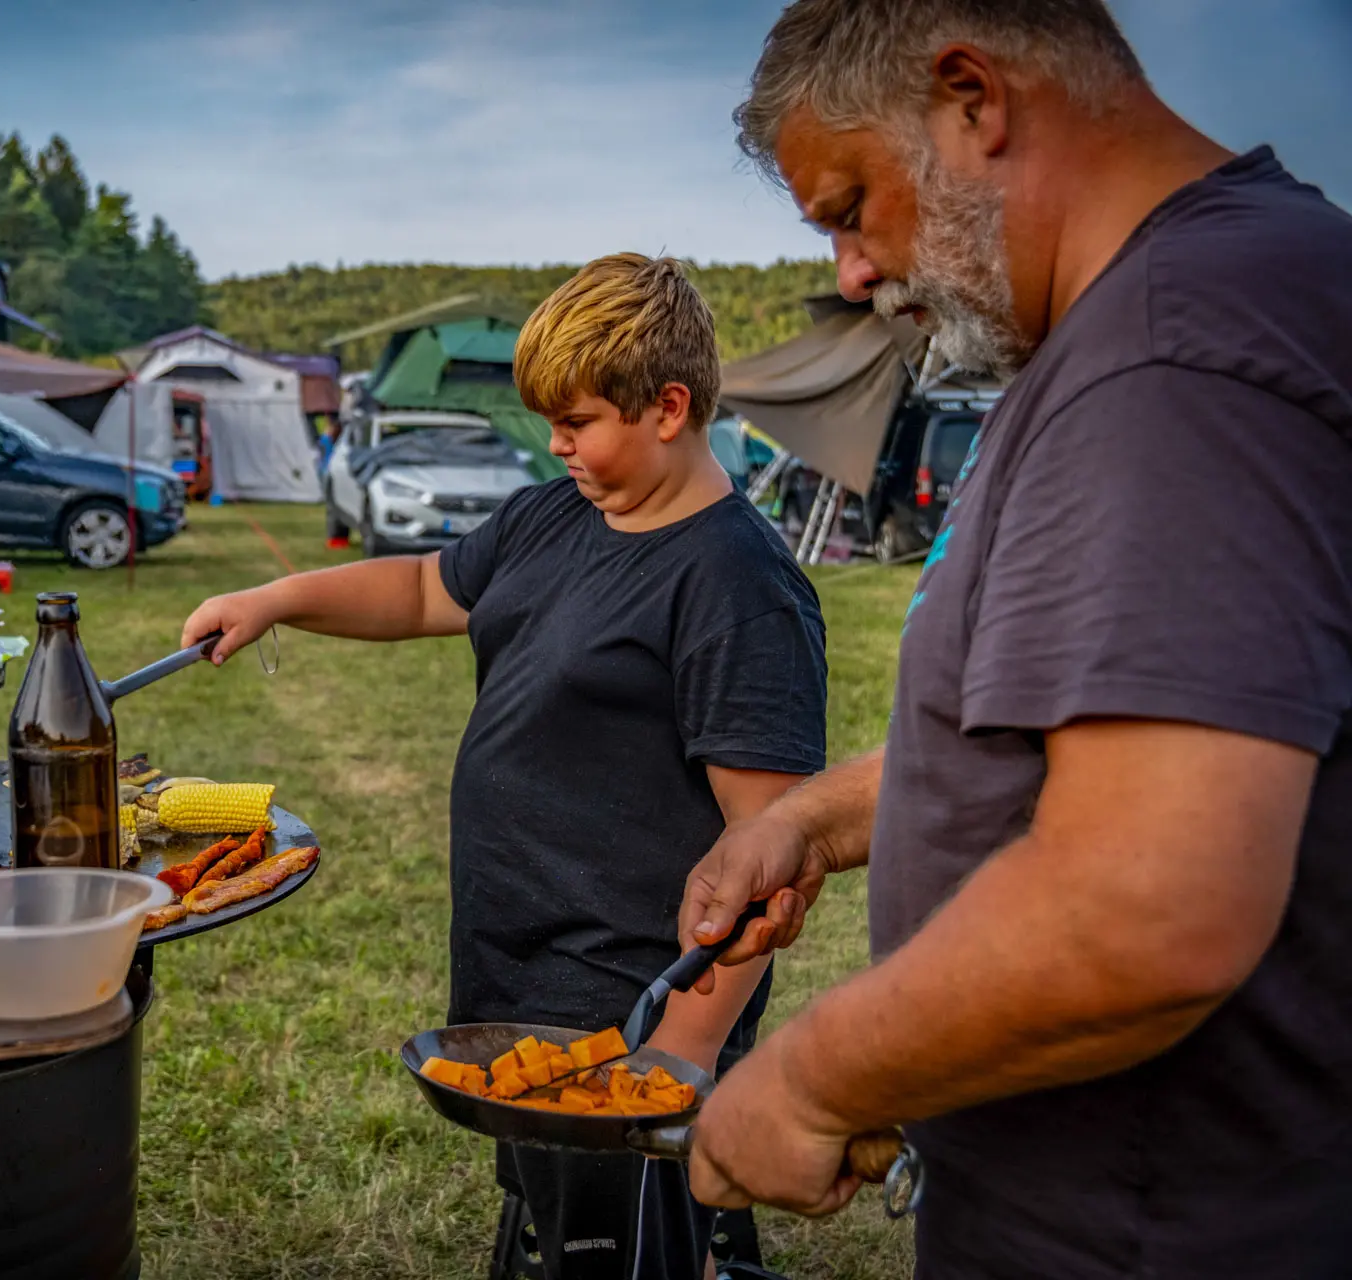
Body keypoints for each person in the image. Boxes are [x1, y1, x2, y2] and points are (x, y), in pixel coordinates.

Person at [676, 3, 1352, 1277]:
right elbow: (1104, 731)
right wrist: (812, 821)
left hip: (1163, 1226)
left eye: (850, 206)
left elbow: (1148, 903)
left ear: (973, 99)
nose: (852, 274)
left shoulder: (1174, 356)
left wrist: (810, 1077)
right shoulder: (1171, 312)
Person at [183, 254, 828, 1279]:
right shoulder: (555, 515)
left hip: (628, 1000)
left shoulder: (736, 584)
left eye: (577, 421)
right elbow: (424, 590)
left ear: (668, 406)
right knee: (558, 1219)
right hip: (518, 962)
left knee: (627, 1247)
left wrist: (685, 1052)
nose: (556, 443)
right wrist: (280, 597)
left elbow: (774, 851)